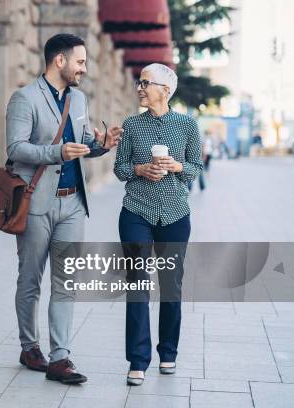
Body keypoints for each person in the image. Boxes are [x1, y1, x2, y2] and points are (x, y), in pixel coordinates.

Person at [6, 33, 123, 384]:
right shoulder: (25, 98)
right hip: (36, 203)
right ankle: (30, 348)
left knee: (66, 281)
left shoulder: (79, 99)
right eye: (80, 62)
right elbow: (16, 148)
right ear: (60, 60)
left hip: (73, 203)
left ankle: (60, 358)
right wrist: (56, 153)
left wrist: (102, 145)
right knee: (30, 280)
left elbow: (82, 142)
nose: (84, 69)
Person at [113, 63, 203, 386]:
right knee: (138, 282)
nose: (140, 87)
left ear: (165, 90)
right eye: (139, 81)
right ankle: (137, 360)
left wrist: (176, 165)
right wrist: (140, 170)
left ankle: (168, 352)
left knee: (170, 284)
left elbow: (195, 167)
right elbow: (120, 168)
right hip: (136, 212)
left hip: (176, 215)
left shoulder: (188, 125)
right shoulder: (132, 125)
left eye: (145, 82)